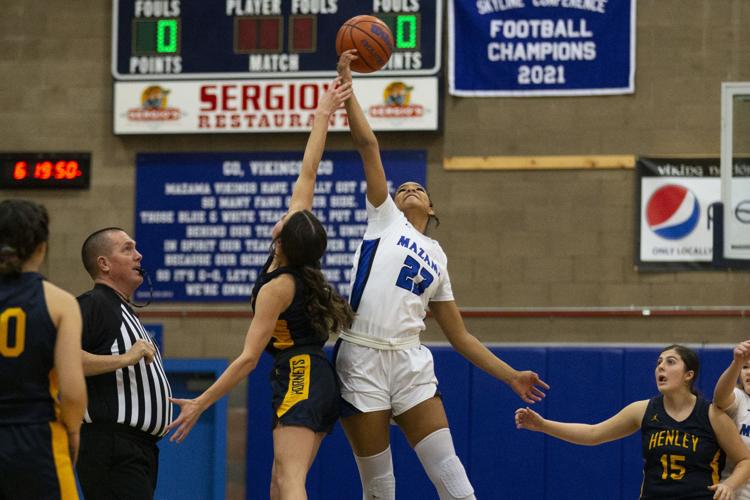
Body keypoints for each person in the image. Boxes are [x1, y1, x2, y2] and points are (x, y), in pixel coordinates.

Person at [335, 50, 549, 500]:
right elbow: (368, 146)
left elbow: (461, 336)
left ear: (431, 209)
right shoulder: (384, 219)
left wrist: (510, 375)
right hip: (361, 356)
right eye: (402, 188)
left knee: (452, 479)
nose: (408, 188)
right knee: (379, 487)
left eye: (419, 189)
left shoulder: (438, 256)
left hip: (410, 361)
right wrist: (347, 88)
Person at [166, 78, 354, 499]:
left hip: (301, 374)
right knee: (278, 484)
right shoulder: (293, 258)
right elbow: (310, 169)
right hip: (303, 374)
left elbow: (249, 358)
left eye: (288, 219)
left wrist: (202, 402)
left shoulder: (279, 287)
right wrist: (324, 112)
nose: (286, 213)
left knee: (289, 483)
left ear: (283, 239)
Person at [515, 344, 750, 500]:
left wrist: (729, 485)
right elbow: (594, 433)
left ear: (689, 374)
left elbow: (745, 460)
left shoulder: (710, 414)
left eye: (670, 362)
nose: (661, 366)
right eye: (659, 362)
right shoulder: (644, 410)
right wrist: (543, 425)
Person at [76, 227, 173, 500]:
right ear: (104, 264)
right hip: (113, 444)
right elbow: (63, 359)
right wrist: (125, 358)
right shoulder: (94, 303)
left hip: (138, 448)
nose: (139, 256)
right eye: (127, 249)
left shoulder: (121, 309)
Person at [0, 199, 87, 500]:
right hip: (36, 438)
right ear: (42, 247)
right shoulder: (60, 303)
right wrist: (73, 430)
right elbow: (72, 389)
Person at [713, 340, 750, 500]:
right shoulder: (740, 398)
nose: (748, 372)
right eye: (745, 367)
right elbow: (720, 398)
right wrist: (737, 363)